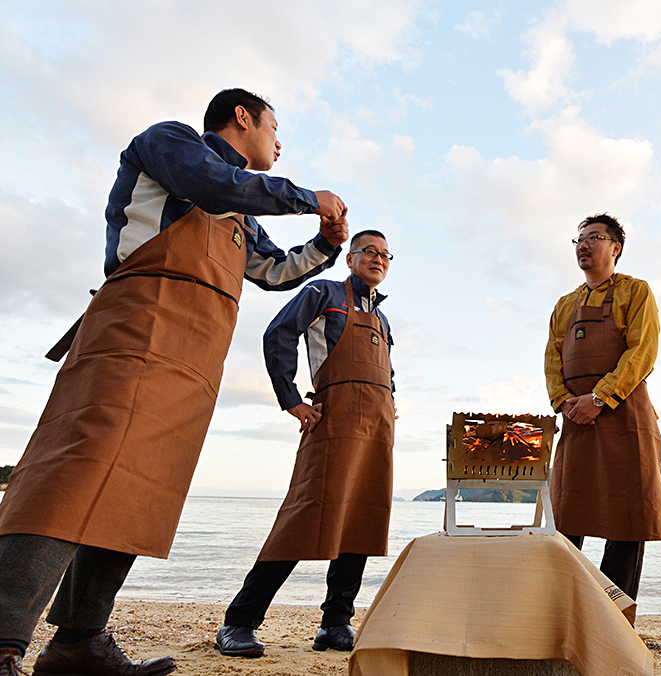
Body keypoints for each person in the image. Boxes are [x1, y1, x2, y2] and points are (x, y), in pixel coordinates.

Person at [0, 88, 350, 676]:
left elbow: (272, 271)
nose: (279, 143)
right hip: (134, 329)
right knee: (71, 472)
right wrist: (306, 198)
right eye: (274, 128)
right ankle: (4, 638)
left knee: (139, 491)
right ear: (242, 117)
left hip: (194, 358)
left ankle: (78, 643)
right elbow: (213, 184)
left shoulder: (243, 212)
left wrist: (323, 246)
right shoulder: (172, 144)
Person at [215, 229, 396, 657]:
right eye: (369, 251)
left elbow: (387, 370)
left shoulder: (383, 318)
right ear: (350, 258)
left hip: (378, 426)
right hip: (334, 418)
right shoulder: (323, 293)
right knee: (302, 515)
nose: (378, 259)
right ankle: (239, 621)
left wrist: (391, 399)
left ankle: (336, 623)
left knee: (361, 520)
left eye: (386, 255)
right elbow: (278, 333)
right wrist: (291, 399)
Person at [544, 213, 661, 601]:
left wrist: (600, 398)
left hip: (625, 415)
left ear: (615, 248)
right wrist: (564, 402)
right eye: (579, 239)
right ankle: (566, 604)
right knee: (567, 515)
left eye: (594, 238)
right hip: (576, 418)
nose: (583, 245)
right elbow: (552, 359)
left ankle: (617, 614)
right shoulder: (565, 305)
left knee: (627, 522)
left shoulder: (636, 291)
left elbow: (642, 351)